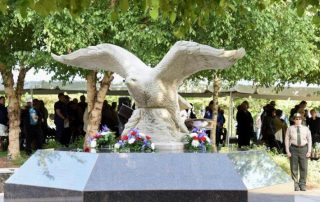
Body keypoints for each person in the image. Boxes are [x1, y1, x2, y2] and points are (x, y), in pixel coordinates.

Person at [285, 113, 312, 191]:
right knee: (294, 168)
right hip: (293, 149)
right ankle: (295, 185)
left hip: (304, 149)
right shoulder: (289, 128)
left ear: (302, 120)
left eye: (300, 118)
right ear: (294, 120)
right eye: (296, 119)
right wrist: (287, 151)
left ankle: (302, 184)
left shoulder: (306, 129)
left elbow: (310, 140)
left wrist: (309, 151)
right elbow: (286, 140)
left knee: (304, 168)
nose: (298, 120)